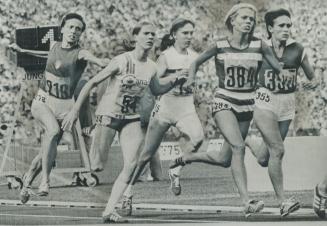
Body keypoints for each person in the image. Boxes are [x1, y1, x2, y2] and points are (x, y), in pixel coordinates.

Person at [167, 4, 288, 217]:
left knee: (224, 159)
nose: (249, 22)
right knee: (238, 148)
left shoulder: (260, 45)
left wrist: (284, 73)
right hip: (225, 100)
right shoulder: (220, 45)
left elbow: (279, 69)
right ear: (232, 20)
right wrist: (191, 77)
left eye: (251, 18)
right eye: (244, 18)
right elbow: (195, 62)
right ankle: (246, 202)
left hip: (249, 103)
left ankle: (185, 158)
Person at [61, 21, 187, 223]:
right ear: (136, 37)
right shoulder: (122, 60)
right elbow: (93, 82)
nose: (150, 37)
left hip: (131, 119)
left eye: (153, 35)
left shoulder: (152, 66)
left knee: (132, 163)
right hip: (108, 116)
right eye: (146, 33)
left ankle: (109, 210)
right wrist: (75, 110)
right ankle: (48, 163)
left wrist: (175, 80)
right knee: (96, 166)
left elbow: (156, 90)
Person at [12, 13, 109, 204]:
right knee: (53, 131)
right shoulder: (53, 45)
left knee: (47, 150)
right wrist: (22, 49)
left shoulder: (80, 53)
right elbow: (44, 55)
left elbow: (97, 60)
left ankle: (28, 179)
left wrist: (108, 63)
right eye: (71, 27)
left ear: (81, 33)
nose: (74, 32)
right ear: (62, 28)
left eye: (78, 29)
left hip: (65, 105)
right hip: (43, 100)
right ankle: (45, 181)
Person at [121, 17, 205, 217]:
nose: (188, 36)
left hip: (185, 107)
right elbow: (155, 82)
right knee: (146, 155)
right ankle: (127, 193)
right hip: (165, 108)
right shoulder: (166, 56)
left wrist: (189, 81)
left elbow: (192, 80)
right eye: (185, 33)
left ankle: (175, 169)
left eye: (191, 33)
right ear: (174, 34)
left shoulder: (195, 56)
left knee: (198, 139)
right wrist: (175, 78)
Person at [243, 8, 318, 216]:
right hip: (264, 100)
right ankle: (283, 201)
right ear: (270, 28)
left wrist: (312, 84)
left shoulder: (297, 49)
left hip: (287, 104)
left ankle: (249, 140)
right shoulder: (260, 48)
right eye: (281, 25)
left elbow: (313, 78)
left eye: (288, 25)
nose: (286, 29)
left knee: (264, 158)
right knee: (278, 150)